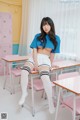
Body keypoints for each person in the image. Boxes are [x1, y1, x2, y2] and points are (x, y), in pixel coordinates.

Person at [19, 17, 60, 114]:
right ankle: (24, 93)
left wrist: (51, 64)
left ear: (51, 25)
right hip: (35, 57)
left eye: (48, 24)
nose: (46, 27)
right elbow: (34, 50)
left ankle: (50, 102)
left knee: (45, 78)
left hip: (46, 60)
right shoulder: (37, 36)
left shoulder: (56, 38)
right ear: (42, 26)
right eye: (44, 24)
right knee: (24, 71)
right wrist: (36, 64)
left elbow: (53, 54)